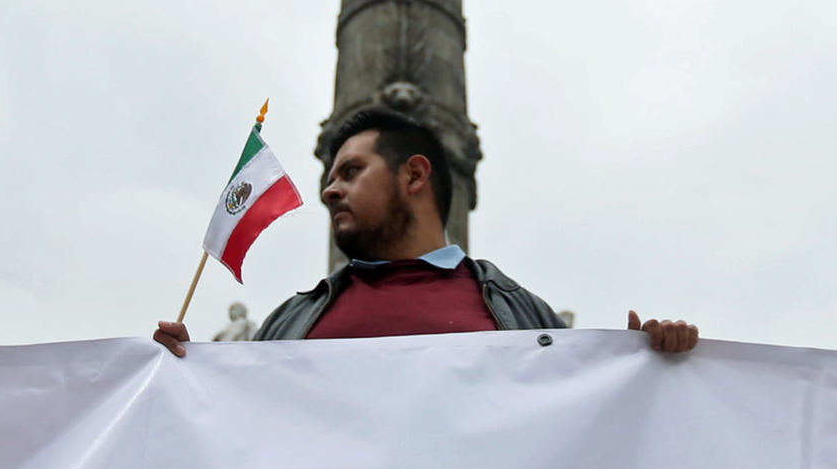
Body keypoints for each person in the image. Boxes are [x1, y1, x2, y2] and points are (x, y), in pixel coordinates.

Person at [155, 106, 698, 356]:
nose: (327, 191)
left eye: (350, 172)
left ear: (414, 174)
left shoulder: (521, 316)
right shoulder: (287, 325)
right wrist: (185, 385)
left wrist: (653, 372)